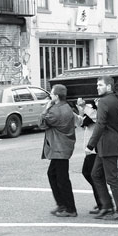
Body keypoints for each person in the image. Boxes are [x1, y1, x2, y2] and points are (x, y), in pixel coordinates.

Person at [86, 76, 118, 220]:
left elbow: (100, 124)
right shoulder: (116, 100)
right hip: (108, 144)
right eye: (97, 85)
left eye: (100, 85)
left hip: (107, 145)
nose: (97, 87)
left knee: (111, 179)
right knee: (96, 174)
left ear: (109, 87)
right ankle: (107, 206)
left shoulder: (104, 101)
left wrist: (90, 144)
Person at [40, 84, 79, 217]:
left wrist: (47, 107)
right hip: (63, 147)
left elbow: (41, 123)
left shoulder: (55, 111)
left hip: (59, 149)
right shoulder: (66, 107)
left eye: (51, 94)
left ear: (56, 96)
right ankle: (62, 204)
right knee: (53, 174)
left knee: (62, 179)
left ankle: (69, 208)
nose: (50, 95)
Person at [76, 98, 105, 215]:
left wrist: (85, 108)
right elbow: (80, 123)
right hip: (89, 149)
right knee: (90, 174)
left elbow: (97, 117)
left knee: (94, 175)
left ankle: (103, 202)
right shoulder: (89, 111)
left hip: (95, 149)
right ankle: (102, 201)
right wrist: (81, 110)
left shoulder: (99, 111)